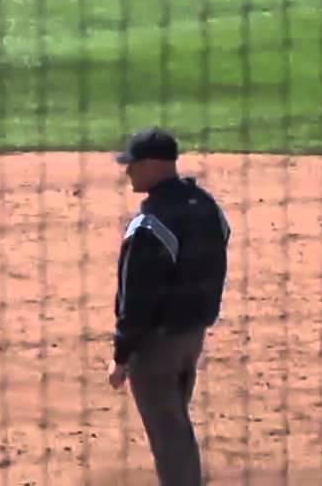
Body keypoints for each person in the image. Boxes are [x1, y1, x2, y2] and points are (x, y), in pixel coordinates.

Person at [106, 127, 230, 485]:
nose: (128, 171)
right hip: (192, 336)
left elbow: (137, 300)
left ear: (153, 165)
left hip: (156, 344)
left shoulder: (151, 224)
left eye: (133, 164)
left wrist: (122, 355)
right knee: (175, 420)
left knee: (167, 430)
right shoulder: (206, 206)